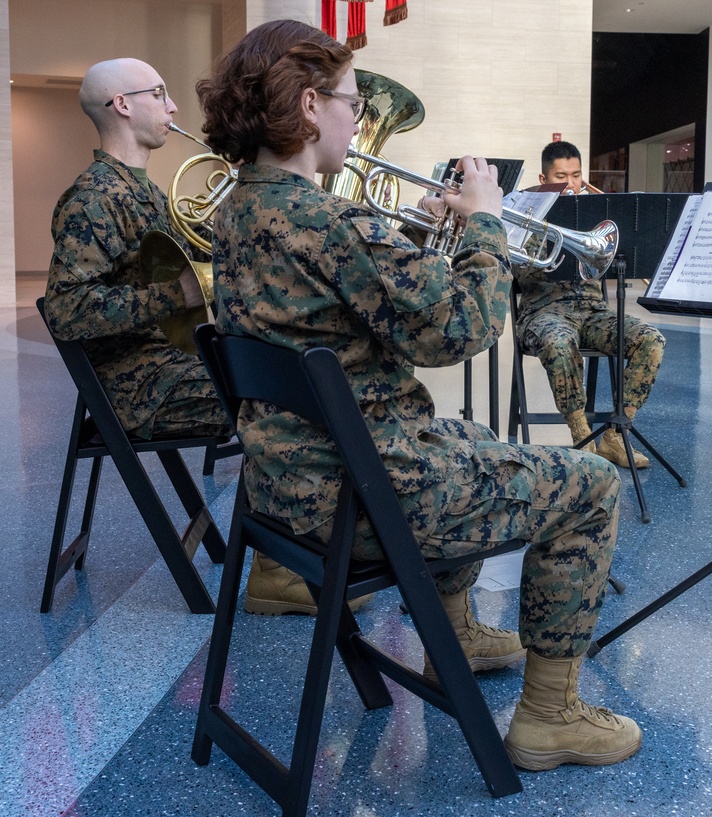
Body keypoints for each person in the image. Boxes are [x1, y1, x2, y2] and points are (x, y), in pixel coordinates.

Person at [196, 19, 641, 771]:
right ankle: (549, 716)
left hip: (288, 488)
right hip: (366, 494)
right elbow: (458, 329)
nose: (356, 118)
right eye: (351, 101)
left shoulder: (240, 208)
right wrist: (489, 223)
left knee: (466, 434)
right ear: (309, 105)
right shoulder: (332, 220)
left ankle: (457, 633)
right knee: (593, 483)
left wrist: (426, 240)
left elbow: (367, 310)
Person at [43, 58, 318, 616]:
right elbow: (68, 309)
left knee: (298, 376)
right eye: (161, 94)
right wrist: (180, 296)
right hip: (139, 384)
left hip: (170, 362)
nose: (173, 108)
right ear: (123, 104)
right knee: (285, 400)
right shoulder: (93, 199)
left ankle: (292, 556)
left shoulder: (141, 190)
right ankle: (279, 570)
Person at [513, 140, 665, 467]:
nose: (570, 183)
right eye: (561, 175)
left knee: (650, 340)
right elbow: (515, 272)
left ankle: (614, 435)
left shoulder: (598, 212)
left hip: (593, 313)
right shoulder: (527, 214)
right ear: (544, 178)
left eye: (576, 175)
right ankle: (581, 435)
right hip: (543, 312)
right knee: (558, 343)